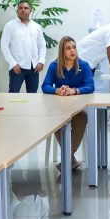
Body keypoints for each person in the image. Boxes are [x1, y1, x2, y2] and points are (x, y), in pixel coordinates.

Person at [42, 36, 94, 170]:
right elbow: (45, 86)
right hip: (60, 107)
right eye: (68, 48)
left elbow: (90, 86)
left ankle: (67, 156)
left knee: (82, 117)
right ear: (62, 51)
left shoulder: (84, 65)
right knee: (57, 120)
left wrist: (75, 91)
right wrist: (57, 90)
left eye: (74, 47)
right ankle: (70, 159)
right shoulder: (54, 66)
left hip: (79, 106)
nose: (72, 51)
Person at [0, 0, 46, 93]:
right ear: (17, 10)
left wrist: (41, 61)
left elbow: (42, 45)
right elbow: (4, 46)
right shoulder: (10, 26)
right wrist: (13, 63)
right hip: (17, 67)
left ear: (30, 10)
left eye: (26, 8)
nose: (23, 10)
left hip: (34, 67)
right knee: (13, 94)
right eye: (20, 8)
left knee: (33, 95)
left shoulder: (36, 27)